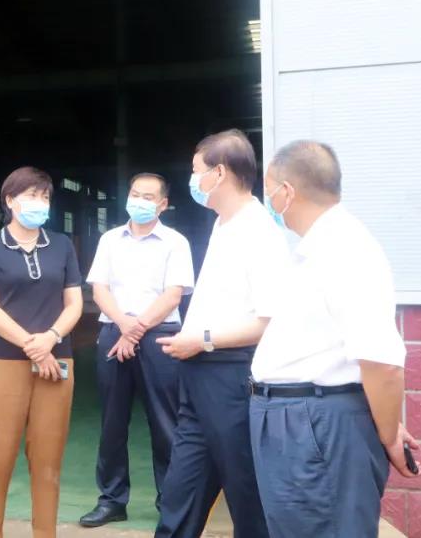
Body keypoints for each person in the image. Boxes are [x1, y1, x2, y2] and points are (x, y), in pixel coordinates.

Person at [250, 141, 421, 536]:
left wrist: (389, 433)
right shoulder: (319, 247)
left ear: (287, 192)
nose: (270, 200)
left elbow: (382, 362)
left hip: (314, 422)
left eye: (270, 189)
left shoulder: (346, 249)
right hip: (301, 418)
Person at [152, 129, 287, 538]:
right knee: (180, 494)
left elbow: (269, 321)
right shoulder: (224, 225)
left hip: (231, 378)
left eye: (197, 171)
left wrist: (203, 339)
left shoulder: (258, 232)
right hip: (199, 379)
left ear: (220, 173)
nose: (193, 180)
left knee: (246, 496)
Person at [0, 166, 84, 538]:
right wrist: (34, 347)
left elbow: (75, 305)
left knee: (48, 462)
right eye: (31, 195)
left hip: (57, 361)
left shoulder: (62, 245)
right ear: (10, 200)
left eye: (45, 197)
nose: (40, 203)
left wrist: (50, 338)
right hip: (5, 362)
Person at [80, 172, 195, 527]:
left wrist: (135, 329)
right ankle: (112, 499)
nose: (140, 201)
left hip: (159, 335)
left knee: (164, 423)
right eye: (134, 194)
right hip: (114, 329)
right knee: (112, 422)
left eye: (148, 197)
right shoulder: (110, 239)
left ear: (162, 204)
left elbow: (173, 294)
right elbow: (99, 289)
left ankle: (171, 501)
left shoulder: (175, 242)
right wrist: (125, 326)